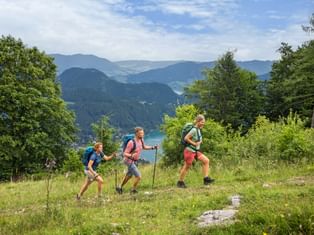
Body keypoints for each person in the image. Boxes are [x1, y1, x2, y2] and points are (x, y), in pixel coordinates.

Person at [116, 127, 158, 194]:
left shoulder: (141, 140)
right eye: (140, 133)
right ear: (136, 134)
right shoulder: (131, 142)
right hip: (129, 161)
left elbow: (144, 147)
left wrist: (153, 147)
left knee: (129, 176)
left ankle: (119, 187)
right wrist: (131, 155)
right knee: (138, 176)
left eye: (143, 133)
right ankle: (133, 190)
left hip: (134, 161)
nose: (142, 135)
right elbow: (125, 153)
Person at [177, 114, 215, 188]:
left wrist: (199, 142)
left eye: (204, 122)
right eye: (202, 122)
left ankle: (206, 179)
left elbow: (197, 138)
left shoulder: (198, 129)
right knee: (187, 166)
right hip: (190, 151)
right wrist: (194, 143)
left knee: (206, 161)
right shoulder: (194, 130)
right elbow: (186, 138)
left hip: (195, 151)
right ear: (198, 121)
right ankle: (180, 182)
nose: (203, 123)